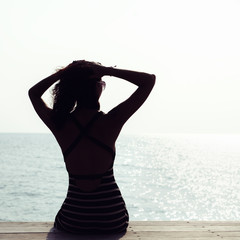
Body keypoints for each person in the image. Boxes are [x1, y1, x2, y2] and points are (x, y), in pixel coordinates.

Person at [28, 60, 155, 234]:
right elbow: (148, 81)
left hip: (74, 219)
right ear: (96, 88)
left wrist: (64, 74)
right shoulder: (112, 121)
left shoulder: (60, 125)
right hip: (112, 218)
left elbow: (33, 94)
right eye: (101, 84)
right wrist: (106, 70)